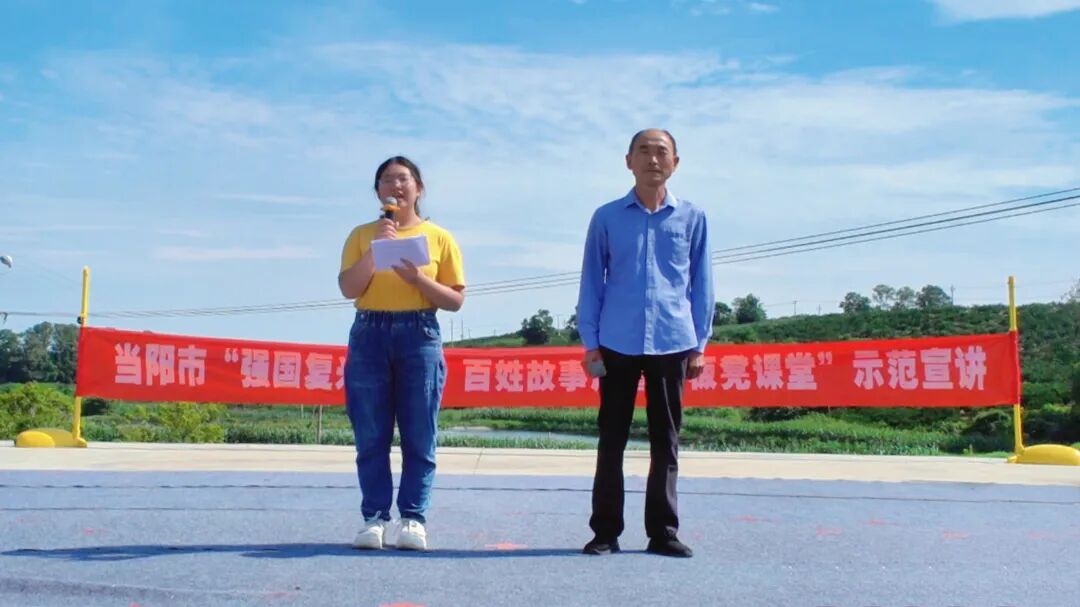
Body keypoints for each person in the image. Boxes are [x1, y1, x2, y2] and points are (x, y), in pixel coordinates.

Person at [576, 129, 714, 558]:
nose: (653, 159)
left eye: (661, 152)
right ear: (628, 161)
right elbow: (591, 281)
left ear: (675, 162)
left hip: (673, 341)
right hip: (616, 341)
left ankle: (663, 531)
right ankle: (605, 531)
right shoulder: (606, 218)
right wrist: (590, 341)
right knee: (611, 439)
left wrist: (700, 344)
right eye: (644, 151)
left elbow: (702, 284)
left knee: (665, 440)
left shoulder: (692, 217)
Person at [338, 156, 466, 551]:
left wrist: (418, 278)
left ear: (418, 188)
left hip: (419, 332)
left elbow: (455, 300)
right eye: (387, 180)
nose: (396, 186)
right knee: (371, 433)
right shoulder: (362, 235)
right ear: (378, 191)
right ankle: (374, 518)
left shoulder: (439, 237)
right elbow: (348, 288)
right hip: (370, 332)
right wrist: (375, 251)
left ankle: (413, 518)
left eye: (404, 179)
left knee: (419, 432)